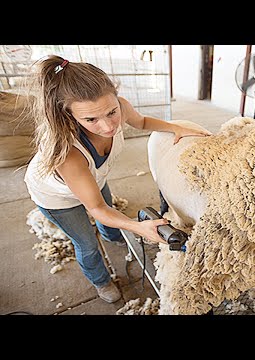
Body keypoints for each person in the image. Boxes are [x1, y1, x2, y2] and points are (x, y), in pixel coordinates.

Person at [24, 55, 212, 303]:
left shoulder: (120, 108)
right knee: (86, 243)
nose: (107, 126)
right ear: (69, 116)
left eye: (111, 112)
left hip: (95, 177)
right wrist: (136, 227)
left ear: (116, 98)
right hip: (56, 196)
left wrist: (173, 127)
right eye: (91, 120)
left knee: (109, 212)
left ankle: (114, 235)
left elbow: (142, 121)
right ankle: (101, 281)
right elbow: (96, 207)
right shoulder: (68, 154)